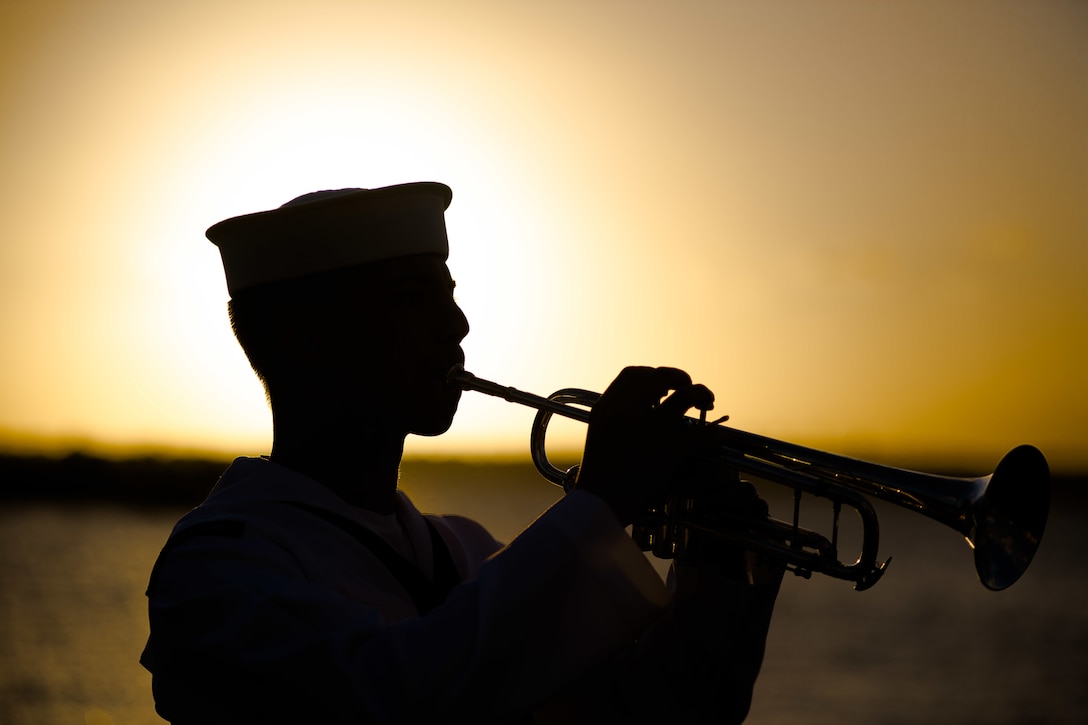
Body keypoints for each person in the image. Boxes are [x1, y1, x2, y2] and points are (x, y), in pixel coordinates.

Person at [140, 182, 783, 724]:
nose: (458, 323)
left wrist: (723, 568)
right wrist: (604, 501)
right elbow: (397, 701)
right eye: (415, 297)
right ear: (306, 338)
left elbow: (649, 714)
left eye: (448, 292)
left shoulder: (463, 551)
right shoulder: (216, 568)